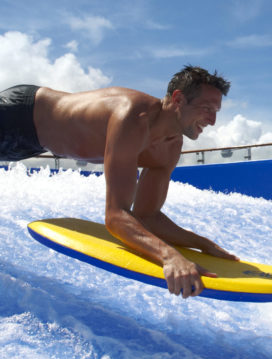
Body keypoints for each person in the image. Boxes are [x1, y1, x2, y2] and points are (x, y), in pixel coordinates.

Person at [0, 65, 239, 299]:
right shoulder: (133, 117)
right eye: (207, 108)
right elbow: (116, 216)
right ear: (178, 99)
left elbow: (148, 217)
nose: (213, 120)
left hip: (32, 143)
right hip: (20, 114)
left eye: (216, 111)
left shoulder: (170, 148)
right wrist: (170, 256)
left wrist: (202, 244)